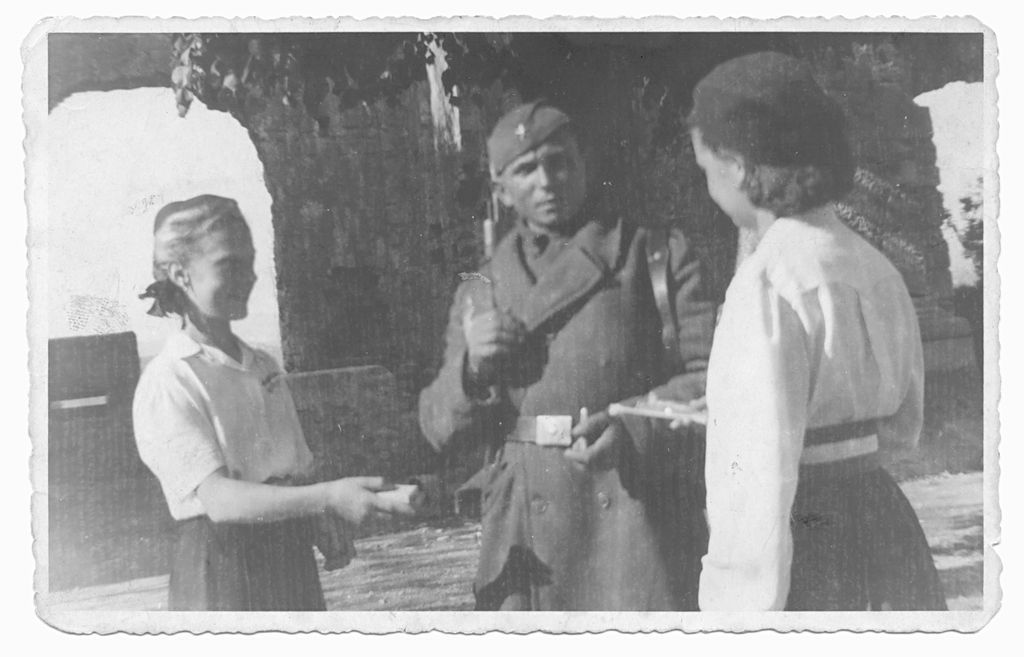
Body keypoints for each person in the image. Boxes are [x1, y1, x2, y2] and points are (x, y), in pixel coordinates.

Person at [419, 101, 717, 610]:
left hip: (632, 513)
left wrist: (633, 428)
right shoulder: (481, 286)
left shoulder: (653, 253)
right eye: (526, 170)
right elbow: (436, 427)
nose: (546, 181)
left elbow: (711, 377)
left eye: (559, 162)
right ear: (501, 190)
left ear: (584, 164)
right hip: (527, 531)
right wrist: (471, 369)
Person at [687, 52, 947, 611]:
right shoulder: (876, 268)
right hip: (884, 524)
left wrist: (738, 611)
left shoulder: (766, 283)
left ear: (737, 167)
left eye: (706, 169)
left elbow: (755, 478)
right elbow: (904, 426)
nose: (709, 187)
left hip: (810, 539)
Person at [132, 195, 415, 611]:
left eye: (250, 262)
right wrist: (327, 497)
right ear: (180, 274)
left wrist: (318, 519)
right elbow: (220, 500)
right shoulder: (170, 381)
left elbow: (290, 470)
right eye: (230, 264)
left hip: (288, 560)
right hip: (222, 571)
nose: (248, 277)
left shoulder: (262, 365)